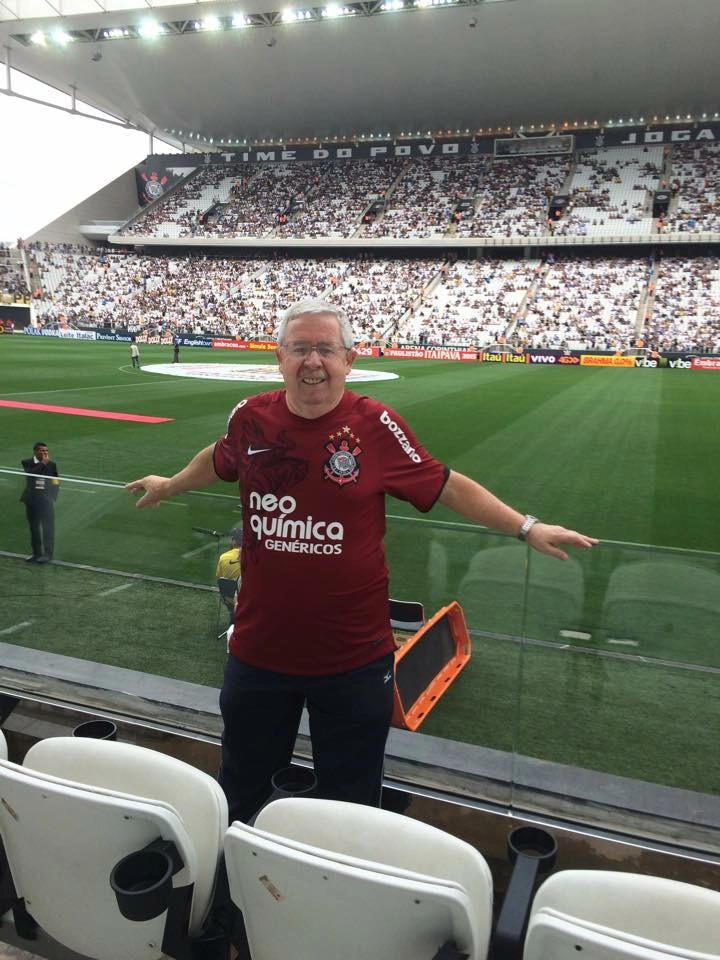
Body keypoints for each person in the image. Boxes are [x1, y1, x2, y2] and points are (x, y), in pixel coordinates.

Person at [127, 298, 597, 823]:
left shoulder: (375, 425)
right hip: (259, 651)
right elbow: (219, 461)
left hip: (351, 659)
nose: (312, 362)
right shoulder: (251, 417)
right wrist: (168, 485)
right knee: (241, 790)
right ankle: (236, 896)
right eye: (300, 349)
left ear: (349, 360)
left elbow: (445, 486)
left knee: (349, 806)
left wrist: (525, 527)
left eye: (325, 349)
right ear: (279, 357)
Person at [20, 442, 59, 563]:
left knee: (48, 528)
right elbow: (32, 474)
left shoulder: (52, 465)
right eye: (42, 451)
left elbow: (56, 481)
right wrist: (43, 464)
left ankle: (48, 554)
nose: (45, 453)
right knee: (34, 528)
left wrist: (53, 497)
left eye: (46, 451)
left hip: (46, 501)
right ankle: (36, 553)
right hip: (32, 501)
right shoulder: (27, 462)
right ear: (35, 451)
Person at [216, 528, 242, 626]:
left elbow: (219, 578)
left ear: (233, 540)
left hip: (229, 598)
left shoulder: (224, 557)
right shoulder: (252, 556)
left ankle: (233, 617)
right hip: (246, 599)